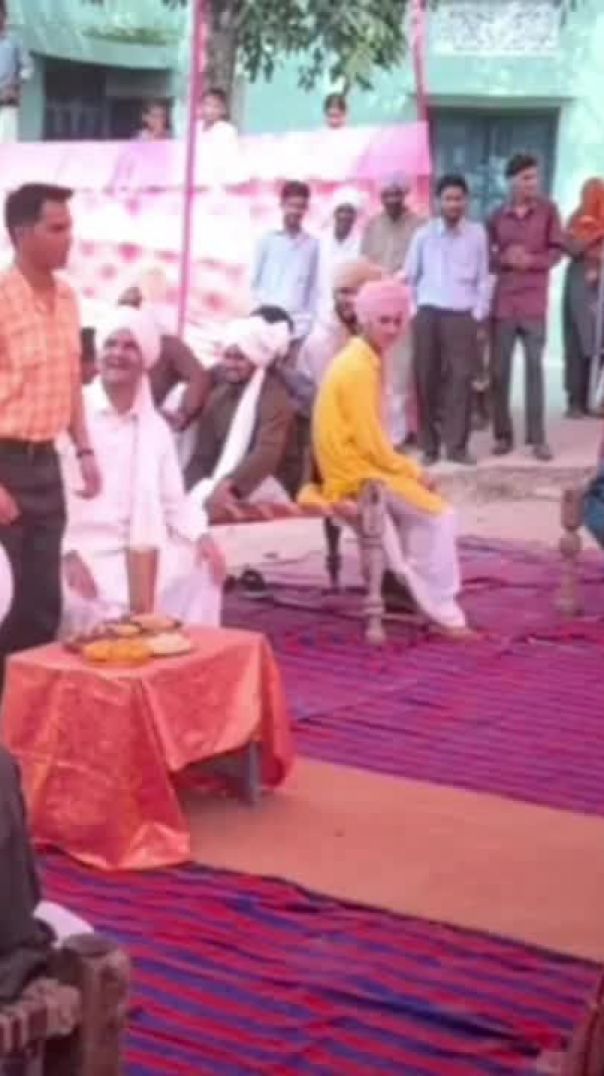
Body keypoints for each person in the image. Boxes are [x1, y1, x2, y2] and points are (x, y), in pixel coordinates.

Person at [299, 278, 468, 635]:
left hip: (360, 465)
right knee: (440, 517)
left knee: (428, 515)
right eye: (384, 321)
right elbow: (370, 442)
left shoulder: (365, 357)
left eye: (398, 321)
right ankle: (443, 611)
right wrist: (411, 470)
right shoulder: (358, 366)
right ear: (365, 320)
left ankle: (421, 595)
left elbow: (371, 440)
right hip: (355, 473)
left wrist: (404, 469)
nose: (392, 329)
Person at [60, 306, 225, 636]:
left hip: (141, 547)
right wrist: (67, 555)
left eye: (130, 346)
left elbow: (173, 501)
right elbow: (48, 498)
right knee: (87, 602)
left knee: (203, 567)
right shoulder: (71, 414)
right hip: (81, 547)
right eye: (111, 344)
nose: (118, 354)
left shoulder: (155, 428)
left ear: (145, 360)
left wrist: (201, 535)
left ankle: (180, 662)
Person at [0, 184, 100, 688]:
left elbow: (71, 380)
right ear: (22, 234)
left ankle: (26, 715)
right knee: (5, 599)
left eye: (70, 227)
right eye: (57, 228)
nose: (69, 238)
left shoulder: (68, 298)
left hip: (47, 464)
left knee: (42, 602)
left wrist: (84, 449)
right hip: (4, 463)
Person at [404, 173, 491, 466]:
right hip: (428, 314)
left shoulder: (477, 234)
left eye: (458, 198)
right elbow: (411, 277)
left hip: (462, 316)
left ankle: (457, 446)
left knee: (461, 380)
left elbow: (484, 277)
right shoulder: (423, 235)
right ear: (438, 202)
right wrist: (415, 311)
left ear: (467, 201)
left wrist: (478, 313)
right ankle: (429, 446)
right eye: (448, 199)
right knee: (426, 378)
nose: (453, 204)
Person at [488, 153, 564, 460]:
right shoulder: (496, 215)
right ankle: (503, 435)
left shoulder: (548, 211)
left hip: (533, 302)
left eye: (535, 177)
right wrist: (504, 258)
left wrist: (532, 261)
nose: (533, 183)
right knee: (499, 371)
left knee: (534, 368)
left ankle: (537, 439)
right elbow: (486, 255)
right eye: (526, 178)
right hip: (504, 302)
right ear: (511, 181)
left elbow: (557, 251)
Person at [185, 316, 296, 518]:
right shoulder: (218, 398)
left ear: (255, 359)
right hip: (220, 485)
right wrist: (184, 492)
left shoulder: (274, 398)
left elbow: (267, 452)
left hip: (264, 487)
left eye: (240, 358)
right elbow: (203, 456)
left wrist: (231, 486)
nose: (231, 364)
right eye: (227, 357)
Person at [361, 176, 424, 446]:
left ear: (405, 195)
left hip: (405, 305)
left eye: (397, 194)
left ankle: (398, 435)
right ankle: (379, 432)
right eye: (387, 195)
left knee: (401, 369)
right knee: (376, 369)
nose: (392, 200)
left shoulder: (419, 226)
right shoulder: (372, 226)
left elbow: (421, 267)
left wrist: (401, 278)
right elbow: (364, 262)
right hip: (376, 305)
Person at [251, 180, 320, 351]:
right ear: (282, 205)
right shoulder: (267, 239)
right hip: (265, 324)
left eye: (301, 206)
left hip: (298, 328)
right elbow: (254, 282)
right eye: (291, 205)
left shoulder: (312, 244)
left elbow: (312, 288)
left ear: (306, 208)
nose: (296, 211)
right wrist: (261, 317)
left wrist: (307, 324)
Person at [298, 257, 384, 390]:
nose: (351, 300)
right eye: (345, 292)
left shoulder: (365, 331)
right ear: (334, 295)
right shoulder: (323, 340)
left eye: (358, 292)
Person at [563, 178, 604, 417]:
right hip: (579, 282)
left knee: (599, 342)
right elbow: (570, 247)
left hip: (600, 283)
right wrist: (595, 235)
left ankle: (596, 399)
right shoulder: (575, 218)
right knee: (579, 341)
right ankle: (575, 401)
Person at [317, 187, 363, 315]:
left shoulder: (361, 244)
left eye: (350, 211)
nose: (345, 216)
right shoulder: (320, 241)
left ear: (355, 215)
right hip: (320, 313)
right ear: (334, 213)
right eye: (341, 210)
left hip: (350, 314)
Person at [0, 1, 32, 144]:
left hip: (7, 102)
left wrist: (15, 84)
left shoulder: (15, 40)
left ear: (4, 14)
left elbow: (27, 68)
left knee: (5, 145)